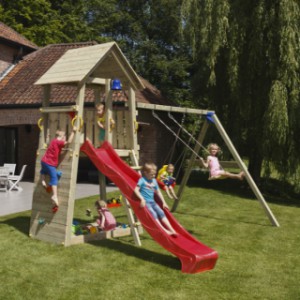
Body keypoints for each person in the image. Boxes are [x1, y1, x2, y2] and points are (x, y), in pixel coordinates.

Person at [134, 162, 177, 237]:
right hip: (146, 203)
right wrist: (142, 199)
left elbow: (158, 192)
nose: (153, 176)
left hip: (153, 202)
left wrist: (164, 202)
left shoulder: (154, 181)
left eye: (154, 174)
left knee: (161, 212)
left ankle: (172, 229)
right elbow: (136, 190)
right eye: (151, 174)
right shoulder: (142, 180)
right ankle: (164, 230)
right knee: (153, 214)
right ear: (145, 173)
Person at [40, 126, 77, 211]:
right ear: (62, 137)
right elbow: (69, 142)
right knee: (54, 178)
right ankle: (54, 195)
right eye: (64, 137)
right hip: (50, 164)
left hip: (44, 162)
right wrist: (73, 132)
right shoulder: (59, 142)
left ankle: (43, 180)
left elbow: (60, 151)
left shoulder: (53, 141)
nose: (65, 139)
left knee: (44, 171)